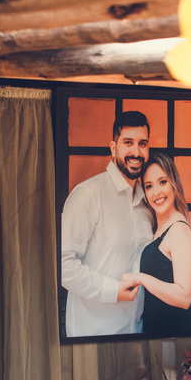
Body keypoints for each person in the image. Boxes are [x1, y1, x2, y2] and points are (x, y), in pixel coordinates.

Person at [61, 110, 154, 337]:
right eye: (128, 143)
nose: (136, 151)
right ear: (113, 148)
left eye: (142, 143)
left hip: (136, 330)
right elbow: (62, 266)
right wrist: (114, 291)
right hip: (92, 334)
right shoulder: (88, 194)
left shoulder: (148, 201)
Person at [120, 153, 191, 337]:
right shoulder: (158, 227)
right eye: (149, 186)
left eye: (162, 182)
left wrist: (141, 278)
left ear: (174, 184)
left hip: (173, 337)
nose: (156, 192)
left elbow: (184, 297)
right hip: (157, 336)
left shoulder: (178, 230)